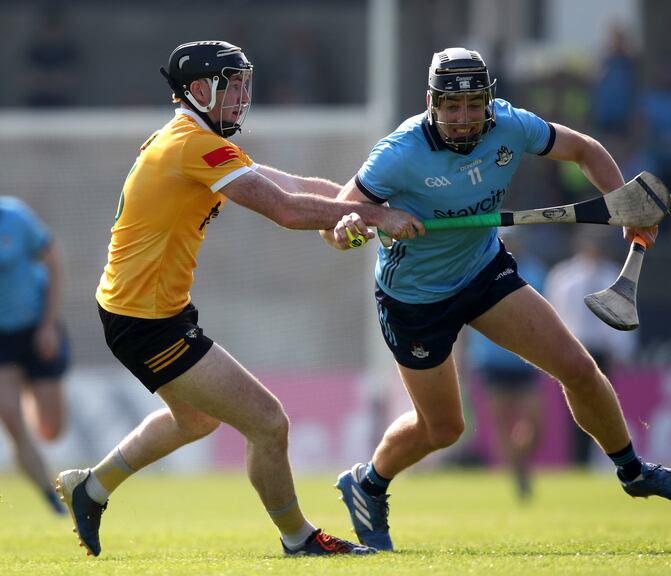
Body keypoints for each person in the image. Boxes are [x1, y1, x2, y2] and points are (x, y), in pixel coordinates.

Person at [320, 47, 671, 552]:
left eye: (474, 105)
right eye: (451, 108)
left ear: (490, 101)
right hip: (415, 299)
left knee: (577, 366)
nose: (463, 119)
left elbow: (585, 149)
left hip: (483, 271)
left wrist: (625, 202)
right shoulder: (398, 153)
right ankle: (367, 484)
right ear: (431, 104)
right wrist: (372, 221)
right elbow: (333, 222)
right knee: (443, 428)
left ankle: (633, 471)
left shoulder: (511, 125)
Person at [54, 40, 423, 559]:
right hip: (146, 322)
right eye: (235, 86)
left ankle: (90, 488)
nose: (244, 98)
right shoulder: (192, 144)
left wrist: (362, 204)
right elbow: (289, 210)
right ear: (200, 90)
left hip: (147, 311)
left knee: (197, 419)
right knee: (268, 422)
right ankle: (300, 539)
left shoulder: (197, 137)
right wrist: (380, 219)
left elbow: (292, 184)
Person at [464, 231, 547, 501]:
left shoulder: (535, 270)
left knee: (535, 424)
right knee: (501, 424)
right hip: (492, 360)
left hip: (526, 357)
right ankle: (517, 477)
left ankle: (520, 462)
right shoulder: (481, 266)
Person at [543, 228, 638, 466]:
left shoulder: (612, 274)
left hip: (600, 350)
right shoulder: (564, 276)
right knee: (575, 407)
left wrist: (621, 348)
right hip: (574, 346)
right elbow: (553, 312)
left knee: (602, 404)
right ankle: (578, 461)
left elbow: (623, 312)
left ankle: (606, 458)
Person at [0, 196, 69, 516]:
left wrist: (48, 325)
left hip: (36, 328)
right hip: (2, 340)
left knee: (51, 429)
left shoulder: (15, 217)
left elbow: (53, 260)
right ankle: (50, 496)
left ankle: (31, 389)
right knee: (10, 417)